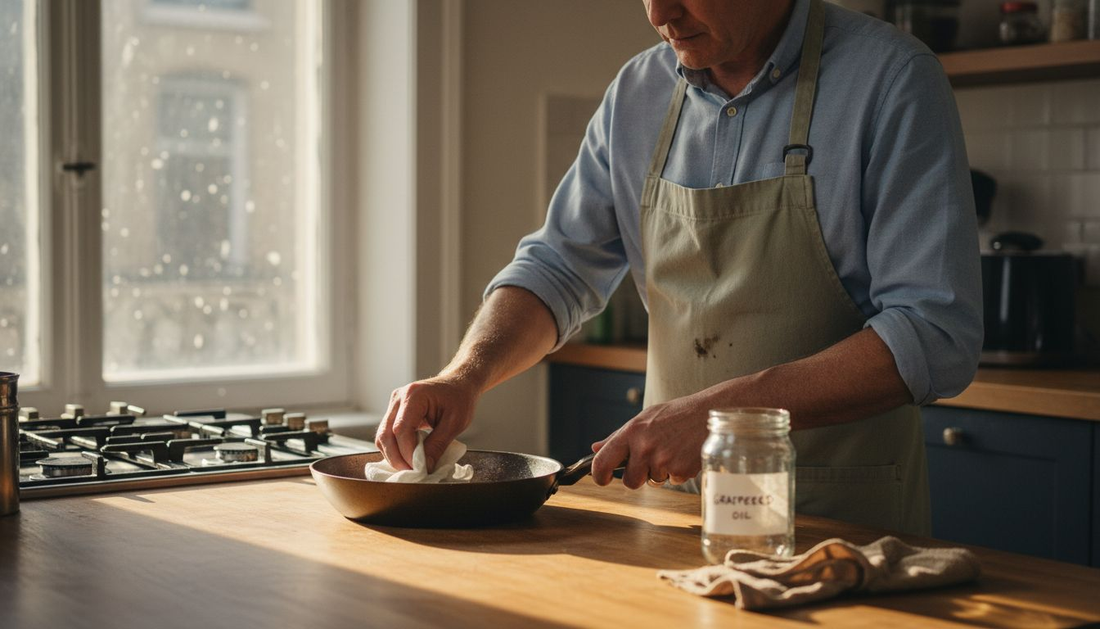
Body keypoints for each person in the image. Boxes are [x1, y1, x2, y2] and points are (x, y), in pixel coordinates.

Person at [374, 0, 982, 536]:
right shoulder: (636, 93)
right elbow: (557, 268)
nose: (660, 12)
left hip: (836, 519)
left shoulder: (893, 79)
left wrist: (721, 418)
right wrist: (465, 375)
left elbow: (934, 333)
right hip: (673, 519)